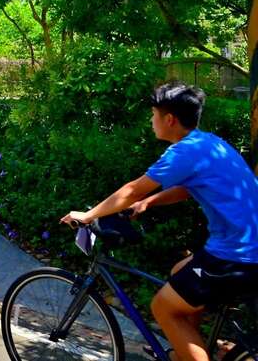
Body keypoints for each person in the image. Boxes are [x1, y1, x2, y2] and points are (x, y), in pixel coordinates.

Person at [61, 82, 258, 361]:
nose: (150, 121)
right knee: (180, 271)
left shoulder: (183, 152)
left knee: (163, 308)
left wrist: (89, 215)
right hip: (246, 247)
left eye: (153, 114)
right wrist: (150, 202)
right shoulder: (208, 143)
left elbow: (131, 189)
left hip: (237, 255)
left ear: (169, 119)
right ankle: (186, 351)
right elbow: (190, 187)